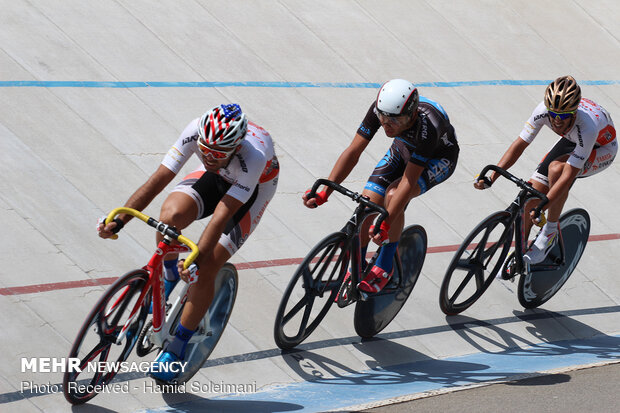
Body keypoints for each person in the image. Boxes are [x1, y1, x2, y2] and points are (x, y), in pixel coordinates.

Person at [97, 103, 279, 381]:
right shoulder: (197, 131)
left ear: (234, 147)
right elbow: (159, 179)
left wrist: (196, 260)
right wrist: (120, 219)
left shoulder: (253, 157)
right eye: (204, 150)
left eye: (216, 154)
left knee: (206, 268)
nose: (207, 157)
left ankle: (178, 346)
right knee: (170, 216)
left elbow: (221, 216)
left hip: (251, 191)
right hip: (217, 177)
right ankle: (169, 277)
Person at [303, 79, 459, 293]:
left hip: (438, 158)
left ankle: (385, 265)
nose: (386, 125)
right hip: (404, 147)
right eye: (382, 118)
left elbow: (408, 181)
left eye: (394, 121)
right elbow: (353, 152)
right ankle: (358, 267)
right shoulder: (383, 110)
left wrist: (385, 223)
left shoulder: (428, 126)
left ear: (412, 115)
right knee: (367, 206)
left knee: (394, 196)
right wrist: (325, 191)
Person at [475, 75, 617, 264]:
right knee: (530, 196)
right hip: (571, 139)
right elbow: (520, 144)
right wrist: (493, 176)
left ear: (574, 113)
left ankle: (549, 233)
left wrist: (544, 207)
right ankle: (519, 252)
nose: (557, 120)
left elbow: (567, 176)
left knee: (556, 171)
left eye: (564, 116)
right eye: (554, 114)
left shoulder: (587, 127)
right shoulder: (543, 111)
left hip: (601, 149)